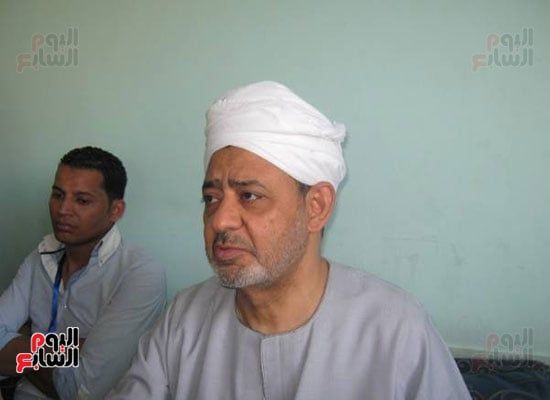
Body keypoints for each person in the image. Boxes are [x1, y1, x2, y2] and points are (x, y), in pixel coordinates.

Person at [108, 82, 471, 399]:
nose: (219, 220)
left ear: (316, 207)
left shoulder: (395, 329)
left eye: (249, 196)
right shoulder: (184, 320)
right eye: (211, 198)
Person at [0, 146, 166, 399]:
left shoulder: (139, 274)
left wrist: (22, 342)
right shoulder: (41, 256)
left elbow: (83, 390)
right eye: (58, 195)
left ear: (115, 211)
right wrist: (75, 348)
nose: (63, 210)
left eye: (82, 200)